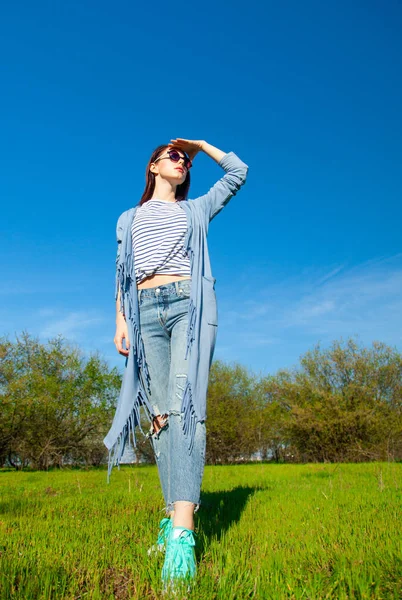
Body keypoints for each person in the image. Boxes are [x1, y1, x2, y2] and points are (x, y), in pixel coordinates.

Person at [103, 138, 249, 590]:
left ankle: (183, 536)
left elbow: (238, 172)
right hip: (144, 312)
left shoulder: (196, 209)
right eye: (174, 156)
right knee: (161, 419)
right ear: (153, 165)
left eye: (185, 160)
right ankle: (171, 519)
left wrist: (202, 145)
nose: (181, 162)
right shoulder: (128, 219)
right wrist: (120, 320)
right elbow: (121, 270)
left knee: (185, 409)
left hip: (188, 304)